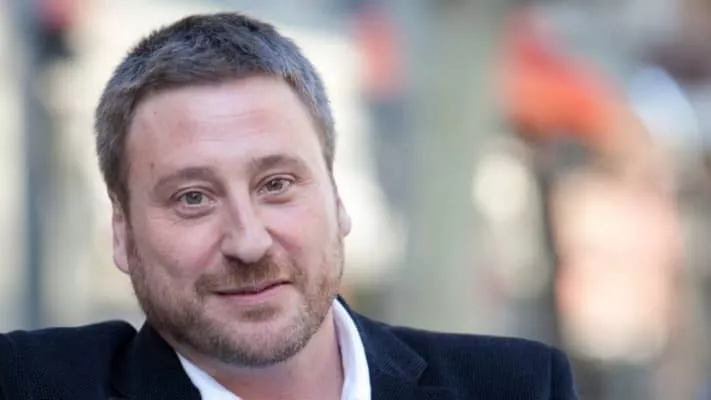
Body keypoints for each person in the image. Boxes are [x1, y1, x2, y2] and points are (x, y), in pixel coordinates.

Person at [0, 12, 578, 400]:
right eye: (193, 198)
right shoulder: (27, 383)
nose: (249, 242)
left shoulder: (517, 386)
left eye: (276, 184)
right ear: (122, 233)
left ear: (337, 198)